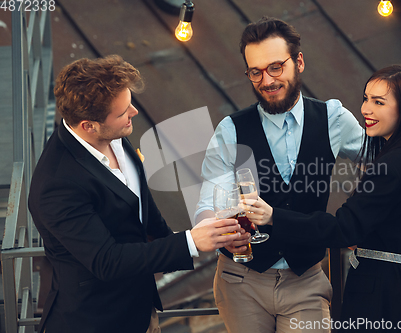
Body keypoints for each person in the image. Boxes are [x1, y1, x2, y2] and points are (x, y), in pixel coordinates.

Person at [195, 17, 401, 333]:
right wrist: (220, 233)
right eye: (255, 72)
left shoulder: (334, 118)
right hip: (241, 282)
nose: (266, 80)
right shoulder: (230, 130)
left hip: (305, 281)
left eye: (276, 67)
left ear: (299, 62)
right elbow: (209, 203)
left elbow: (391, 173)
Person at [28, 55, 244, 333]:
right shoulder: (56, 185)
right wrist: (190, 243)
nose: (134, 112)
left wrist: (202, 239)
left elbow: (139, 207)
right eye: (122, 112)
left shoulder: (114, 135)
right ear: (88, 125)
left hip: (141, 311)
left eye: (129, 103)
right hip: (96, 320)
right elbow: (107, 261)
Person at [245, 64, 401, 332]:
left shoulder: (394, 163)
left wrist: (273, 216)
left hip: (382, 300)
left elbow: (344, 229)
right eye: (365, 98)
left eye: (379, 102)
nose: (365, 109)